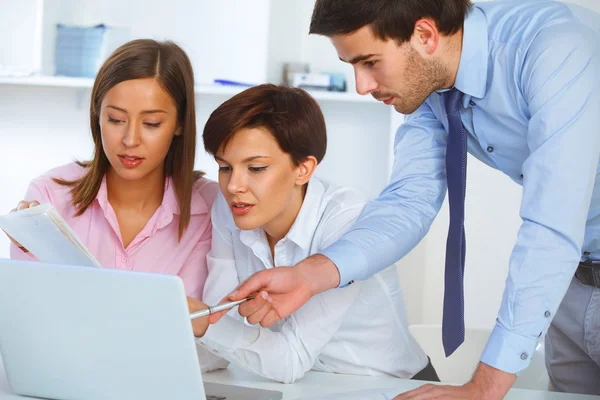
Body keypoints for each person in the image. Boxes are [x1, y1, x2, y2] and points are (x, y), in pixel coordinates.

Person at [212, 1, 600, 398]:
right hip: (571, 284)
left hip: (562, 260)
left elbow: (551, 225)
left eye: (369, 62)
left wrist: (484, 388)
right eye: (352, 66)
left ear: (426, 35)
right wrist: (312, 275)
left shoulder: (553, 50)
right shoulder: (434, 84)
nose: (362, 85)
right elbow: (407, 203)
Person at [186, 84, 438, 383]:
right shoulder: (229, 208)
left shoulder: (345, 219)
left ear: (303, 169)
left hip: (389, 387)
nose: (233, 186)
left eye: (255, 168)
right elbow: (217, 334)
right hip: (306, 386)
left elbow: (289, 360)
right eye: (224, 167)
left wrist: (202, 323)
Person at [5, 39, 225, 371]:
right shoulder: (49, 196)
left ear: (180, 123)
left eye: (151, 123)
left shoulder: (210, 208)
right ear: (97, 114)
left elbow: (201, 329)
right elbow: (32, 326)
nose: (130, 139)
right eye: (116, 119)